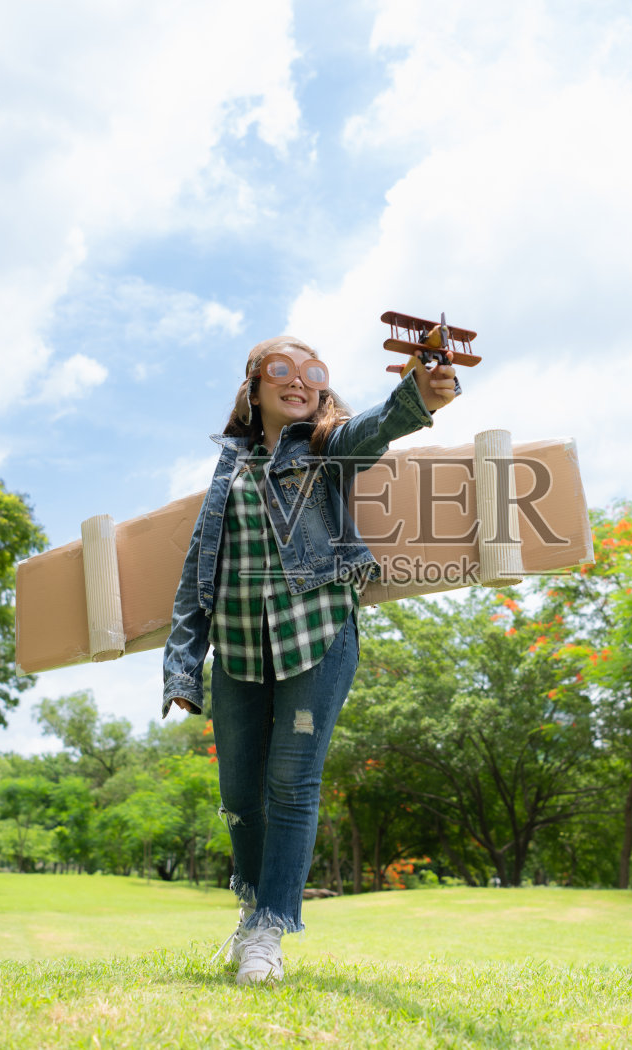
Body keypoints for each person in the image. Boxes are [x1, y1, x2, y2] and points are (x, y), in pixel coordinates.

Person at [162, 334, 460, 986]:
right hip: (240, 646)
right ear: (254, 386)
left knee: (291, 786)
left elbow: (375, 429)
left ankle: (270, 930)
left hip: (317, 634)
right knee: (240, 795)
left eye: (312, 373)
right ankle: (251, 911)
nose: (298, 381)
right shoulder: (231, 468)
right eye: (282, 370)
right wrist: (182, 666)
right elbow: (197, 573)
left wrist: (420, 395)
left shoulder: (325, 449)